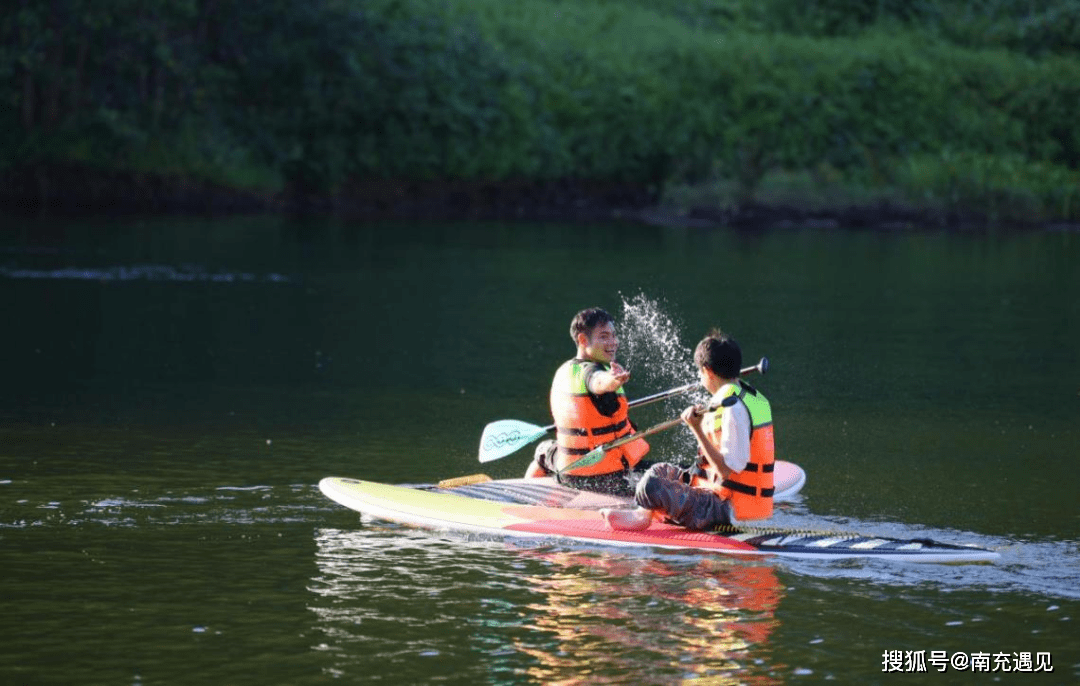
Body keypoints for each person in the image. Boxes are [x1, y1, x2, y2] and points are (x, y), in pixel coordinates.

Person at [602, 330, 774, 531]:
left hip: (728, 511)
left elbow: (726, 472)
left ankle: (643, 517)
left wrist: (697, 429)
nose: (700, 378)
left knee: (651, 485)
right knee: (659, 471)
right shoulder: (746, 396)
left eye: (700, 373)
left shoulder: (732, 407)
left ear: (708, 371)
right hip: (723, 498)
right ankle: (643, 514)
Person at [523, 307, 650, 497]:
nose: (613, 342)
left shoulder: (566, 371)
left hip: (568, 474)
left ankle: (528, 499)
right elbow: (598, 382)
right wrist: (613, 380)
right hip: (608, 479)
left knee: (544, 451)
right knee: (671, 471)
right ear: (583, 340)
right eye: (604, 336)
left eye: (614, 336)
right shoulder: (592, 373)